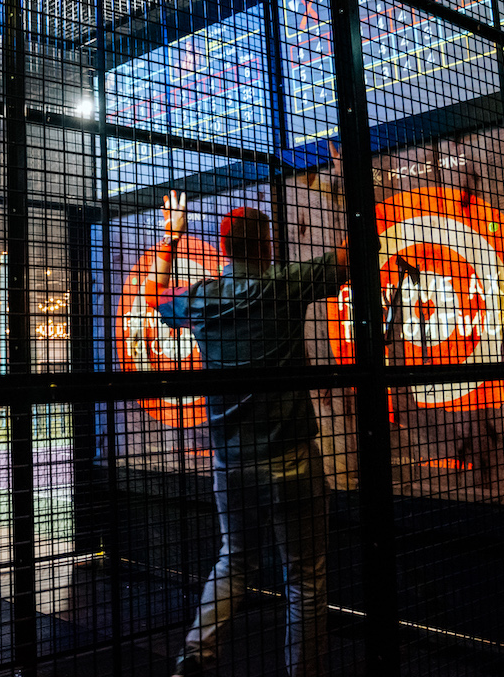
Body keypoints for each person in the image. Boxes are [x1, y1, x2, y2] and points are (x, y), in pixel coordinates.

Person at [144, 185, 349, 677]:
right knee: (306, 579)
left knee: (234, 560)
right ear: (267, 244)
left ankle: (196, 655)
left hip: (230, 460)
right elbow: (349, 259)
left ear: (223, 248)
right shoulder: (285, 284)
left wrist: (172, 236)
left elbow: (155, 296)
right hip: (291, 459)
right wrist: (345, 192)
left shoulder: (203, 299)